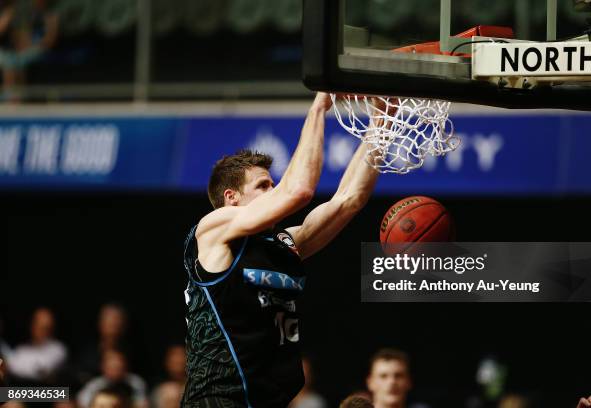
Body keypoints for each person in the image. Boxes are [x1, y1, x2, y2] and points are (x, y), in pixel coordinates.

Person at [182, 92, 380, 407]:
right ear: (232, 197)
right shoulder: (212, 231)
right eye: (263, 186)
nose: (273, 191)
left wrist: (382, 121)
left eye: (273, 184)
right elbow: (298, 190)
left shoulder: (284, 244)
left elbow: (348, 200)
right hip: (219, 400)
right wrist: (319, 107)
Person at [6, 307, 67, 384]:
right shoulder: (21, 350)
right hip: (20, 389)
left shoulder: (58, 349)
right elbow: (10, 366)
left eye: (46, 327)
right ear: (32, 326)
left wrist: (16, 367)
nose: (42, 331)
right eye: (39, 325)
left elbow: (42, 371)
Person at [77, 349, 147, 408]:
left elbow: (142, 404)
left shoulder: (135, 382)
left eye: (118, 367)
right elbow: (81, 401)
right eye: (111, 367)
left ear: (125, 366)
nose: (115, 371)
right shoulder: (95, 384)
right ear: (103, 368)